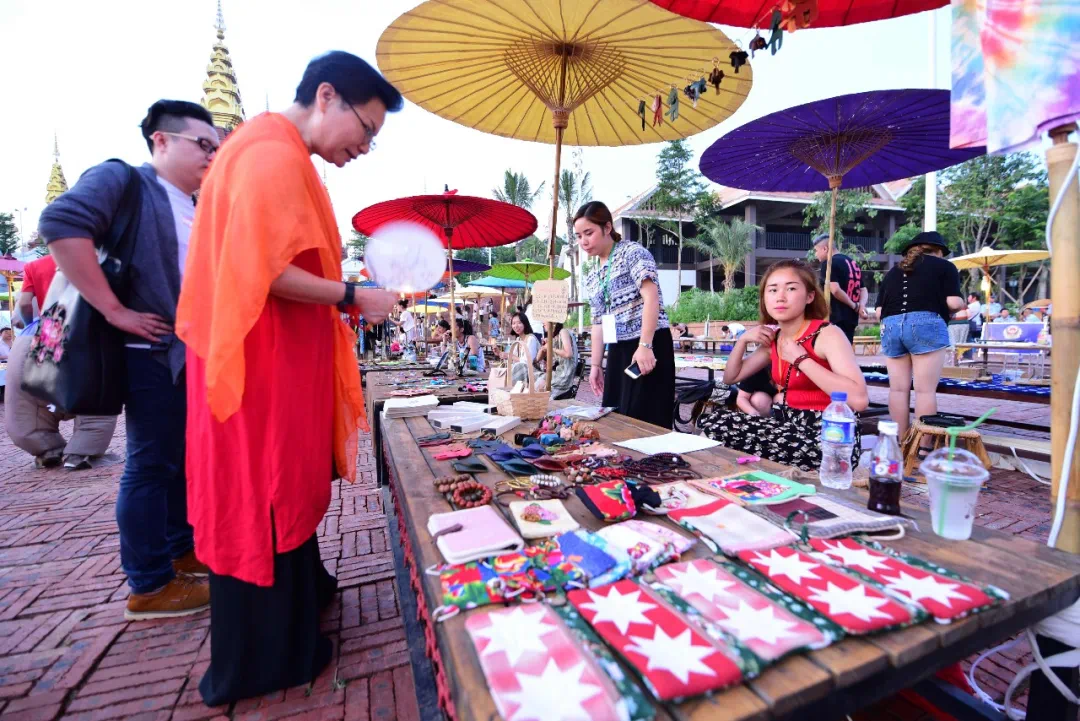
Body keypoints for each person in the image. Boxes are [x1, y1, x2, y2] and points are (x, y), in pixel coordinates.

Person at [176, 51, 401, 706]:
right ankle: (268, 658)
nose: (365, 146)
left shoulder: (273, 150)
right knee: (264, 498)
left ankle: (302, 608)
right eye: (366, 128)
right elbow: (264, 271)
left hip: (270, 368)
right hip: (259, 377)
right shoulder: (270, 155)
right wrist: (351, 294)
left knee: (281, 496)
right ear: (327, 97)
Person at [40, 99, 217, 619]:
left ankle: (180, 550)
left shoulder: (191, 202)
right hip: (148, 352)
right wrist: (114, 310)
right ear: (161, 140)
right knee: (149, 464)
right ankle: (150, 584)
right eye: (202, 144)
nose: (211, 155)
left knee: (178, 459)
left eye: (216, 147)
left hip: (182, 353)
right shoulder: (126, 179)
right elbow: (60, 222)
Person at [698, 260, 868, 470]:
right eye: (772, 290)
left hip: (830, 435)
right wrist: (742, 341)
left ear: (809, 296)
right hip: (788, 424)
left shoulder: (827, 334)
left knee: (727, 437)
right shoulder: (776, 338)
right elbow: (731, 377)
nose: (780, 296)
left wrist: (801, 360)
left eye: (791, 288)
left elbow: (859, 400)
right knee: (716, 421)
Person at [6, 255, 119, 469]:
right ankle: (82, 453)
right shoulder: (100, 258)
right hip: (83, 331)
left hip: (38, 333)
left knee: (26, 406)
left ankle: (47, 448)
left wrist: (32, 327)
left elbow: (24, 304)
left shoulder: (34, 266)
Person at [579, 201, 676, 428]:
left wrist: (645, 345)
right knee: (616, 415)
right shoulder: (593, 275)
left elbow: (651, 298)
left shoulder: (632, 253)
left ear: (607, 227)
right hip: (618, 348)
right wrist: (596, 366)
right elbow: (598, 322)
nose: (583, 241)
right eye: (579, 236)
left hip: (648, 342)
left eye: (589, 233)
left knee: (646, 419)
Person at [876, 231, 964, 442]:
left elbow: (879, 311)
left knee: (898, 390)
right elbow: (954, 302)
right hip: (926, 323)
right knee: (924, 391)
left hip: (890, 326)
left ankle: (900, 444)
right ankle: (921, 448)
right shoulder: (945, 266)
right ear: (939, 251)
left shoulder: (893, 272)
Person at [813, 233, 864, 343]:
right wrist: (861, 307)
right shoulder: (853, 263)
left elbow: (835, 290)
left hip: (836, 317)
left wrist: (854, 305)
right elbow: (863, 289)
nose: (815, 254)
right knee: (846, 348)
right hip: (851, 318)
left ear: (825, 249)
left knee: (833, 350)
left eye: (816, 250)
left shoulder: (829, 263)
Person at [539, 322, 579, 399]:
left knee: (539, 388)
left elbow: (568, 354)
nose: (542, 322)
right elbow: (537, 359)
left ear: (553, 322)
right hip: (560, 373)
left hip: (564, 375)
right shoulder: (556, 336)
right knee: (538, 382)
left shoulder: (563, 331)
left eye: (545, 319)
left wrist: (550, 347)